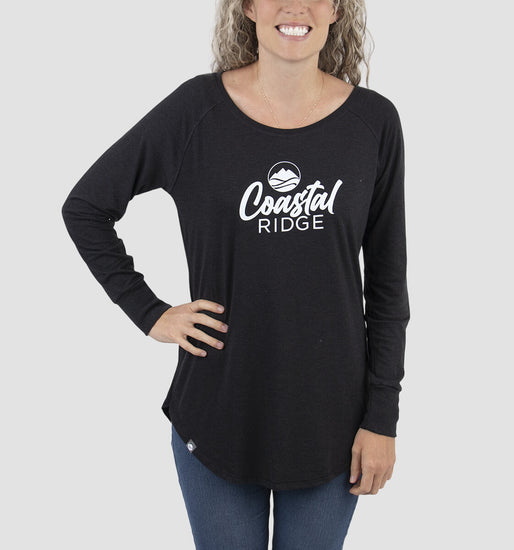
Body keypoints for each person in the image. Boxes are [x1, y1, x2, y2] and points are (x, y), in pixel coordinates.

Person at [61, 0, 410, 548]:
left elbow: (387, 286)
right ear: (247, 6)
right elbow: (86, 207)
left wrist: (382, 417)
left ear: (337, 9)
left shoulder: (374, 122)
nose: (295, 6)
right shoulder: (195, 111)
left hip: (333, 424)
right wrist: (150, 313)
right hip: (217, 414)